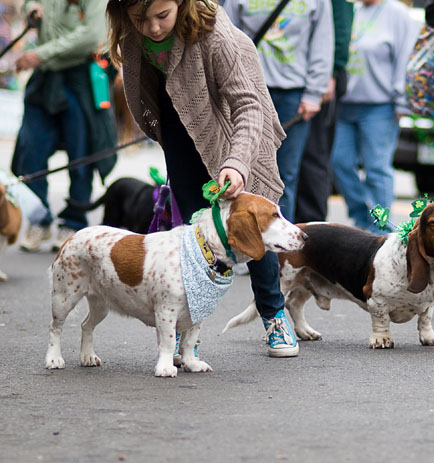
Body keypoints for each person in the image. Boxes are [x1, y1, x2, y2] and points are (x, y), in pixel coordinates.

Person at [105, 0, 299, 357]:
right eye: (139, 20)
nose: (152, 29)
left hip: (231, 124)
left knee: (250, 226)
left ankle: (274, 316)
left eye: (162, 16)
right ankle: (184, 327)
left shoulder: (213, 33)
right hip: (178, 123)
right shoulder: (133, 31)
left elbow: (249, 105)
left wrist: (238, 163)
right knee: (194, 231)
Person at [11, 0, 118, 252]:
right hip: (46, 76)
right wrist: (32, 9)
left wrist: (40, 53)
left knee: (81, 155)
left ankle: (74, 221)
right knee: (30, 148)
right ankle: (40, 219)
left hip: (79, 75)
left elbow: (93, 35)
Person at [224, 0, 333, 222]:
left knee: (285, 175)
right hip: (248, 90)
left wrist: (314, 93)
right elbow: (224, 37)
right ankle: (241, 235)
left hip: (292, 95)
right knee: (242, 169)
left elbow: (323, 43)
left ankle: (280, 245)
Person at [330, 0, 419, 232]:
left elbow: (405, 57)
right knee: (340, 162)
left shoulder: (398, 13)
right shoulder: (352, 9)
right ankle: (363, 217)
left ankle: (381, 228)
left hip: (380, 106)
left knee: (377, 169)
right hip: (346, 105)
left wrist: (402, 100)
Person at [294, 0, 354, 223]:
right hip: (291, 75)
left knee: (313, 157)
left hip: (320, 77)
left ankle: (312, 226)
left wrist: (331, 72)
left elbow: (341, 23)